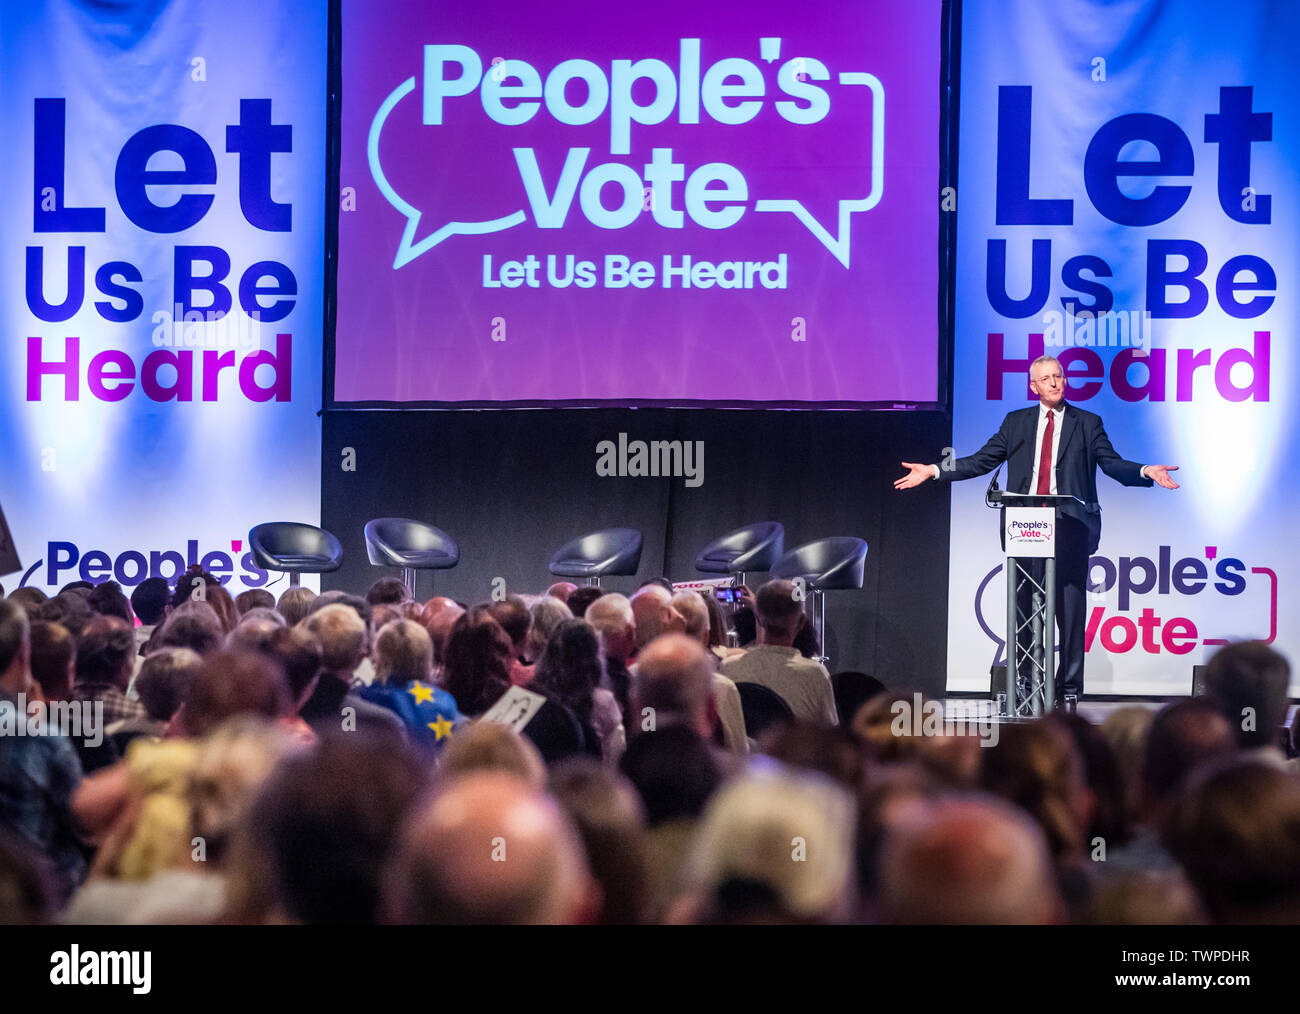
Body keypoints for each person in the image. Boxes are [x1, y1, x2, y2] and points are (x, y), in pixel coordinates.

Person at [894, 354, 1179, 703]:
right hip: (1026, 527)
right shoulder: (1016, 423)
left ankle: (1069, 691)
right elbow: (982, 460)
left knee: (1071, 615)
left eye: (1058, 376)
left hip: (1071, 528)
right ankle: (1026, 686)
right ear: (1034, 386)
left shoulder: (1087, 422)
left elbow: (1111, 463)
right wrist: (935, 471)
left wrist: (1145, 470)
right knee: (1025, 612)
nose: (1055, 383)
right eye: (1047, 379)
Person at [719, 580, 837, 725]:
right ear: (802, 623)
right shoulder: (815, 675)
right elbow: (828, 733)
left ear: (759, 620)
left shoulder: (728, 669)